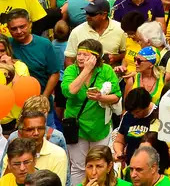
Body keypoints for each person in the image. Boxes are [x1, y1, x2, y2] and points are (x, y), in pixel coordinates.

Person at [61, 39, 122, 185]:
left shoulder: (106, 70)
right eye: (79, 54)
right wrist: (86, 70)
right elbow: (70, 91)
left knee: (101, 165)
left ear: (96, 57)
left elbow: (116, 95)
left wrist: (101, 97)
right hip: (77, 128)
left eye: (85, 55)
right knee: (78, 167)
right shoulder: (71, 70)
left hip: (99, 126)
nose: (80, 58)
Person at [17, 109, 66, 185]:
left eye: (40, 128)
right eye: (30, 130)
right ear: (20, 133)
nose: (36, 133)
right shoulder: (13, 154)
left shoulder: (58, 154)